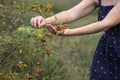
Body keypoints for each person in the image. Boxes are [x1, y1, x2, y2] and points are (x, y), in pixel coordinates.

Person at [30, 0, 120, 80]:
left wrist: (69, 32)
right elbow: (70, 13)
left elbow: (106, 23)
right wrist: (45, 21)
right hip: (107, 48)